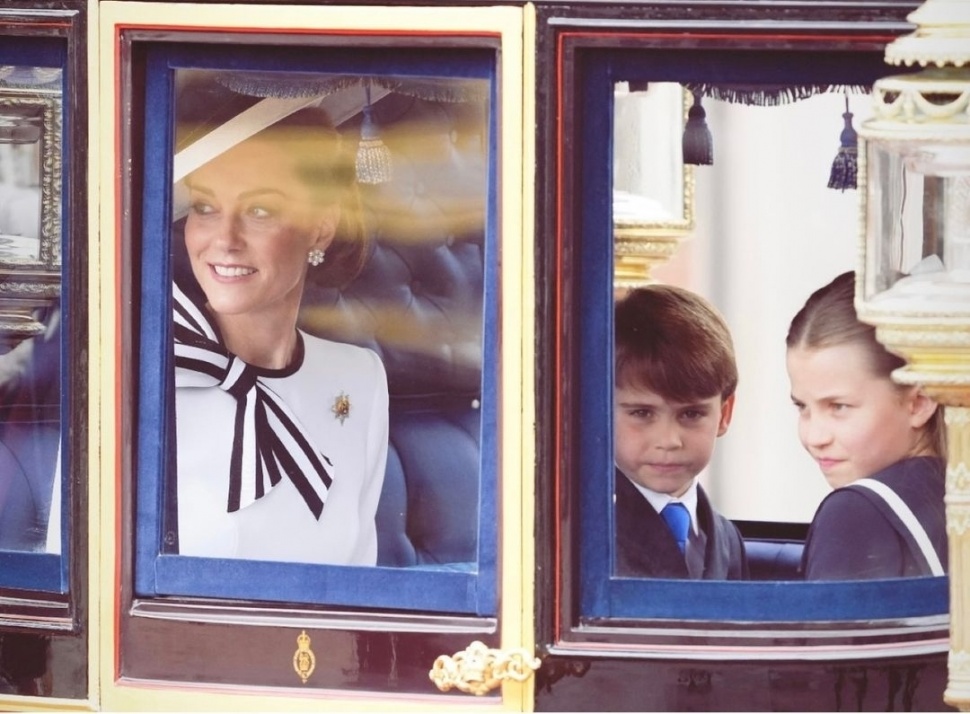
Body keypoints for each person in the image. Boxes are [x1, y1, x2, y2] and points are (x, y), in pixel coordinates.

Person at [172, 107, 389, 566]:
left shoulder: (360, 378)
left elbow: (358, 579)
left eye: (259, 210)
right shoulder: (137, 378)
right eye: (205, 207)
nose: (224, 240)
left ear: (321, 227)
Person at [786, 270, 947, 580]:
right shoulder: (951, 490)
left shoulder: (856, 512)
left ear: (919, 402)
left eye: (839, 407)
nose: (814, 437)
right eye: (802, 407)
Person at [613, 285, 748, 579]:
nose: (669, 441)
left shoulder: (727, 539)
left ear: (724, 414)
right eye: (642, 413)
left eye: (691, 414)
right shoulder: (583, 534)